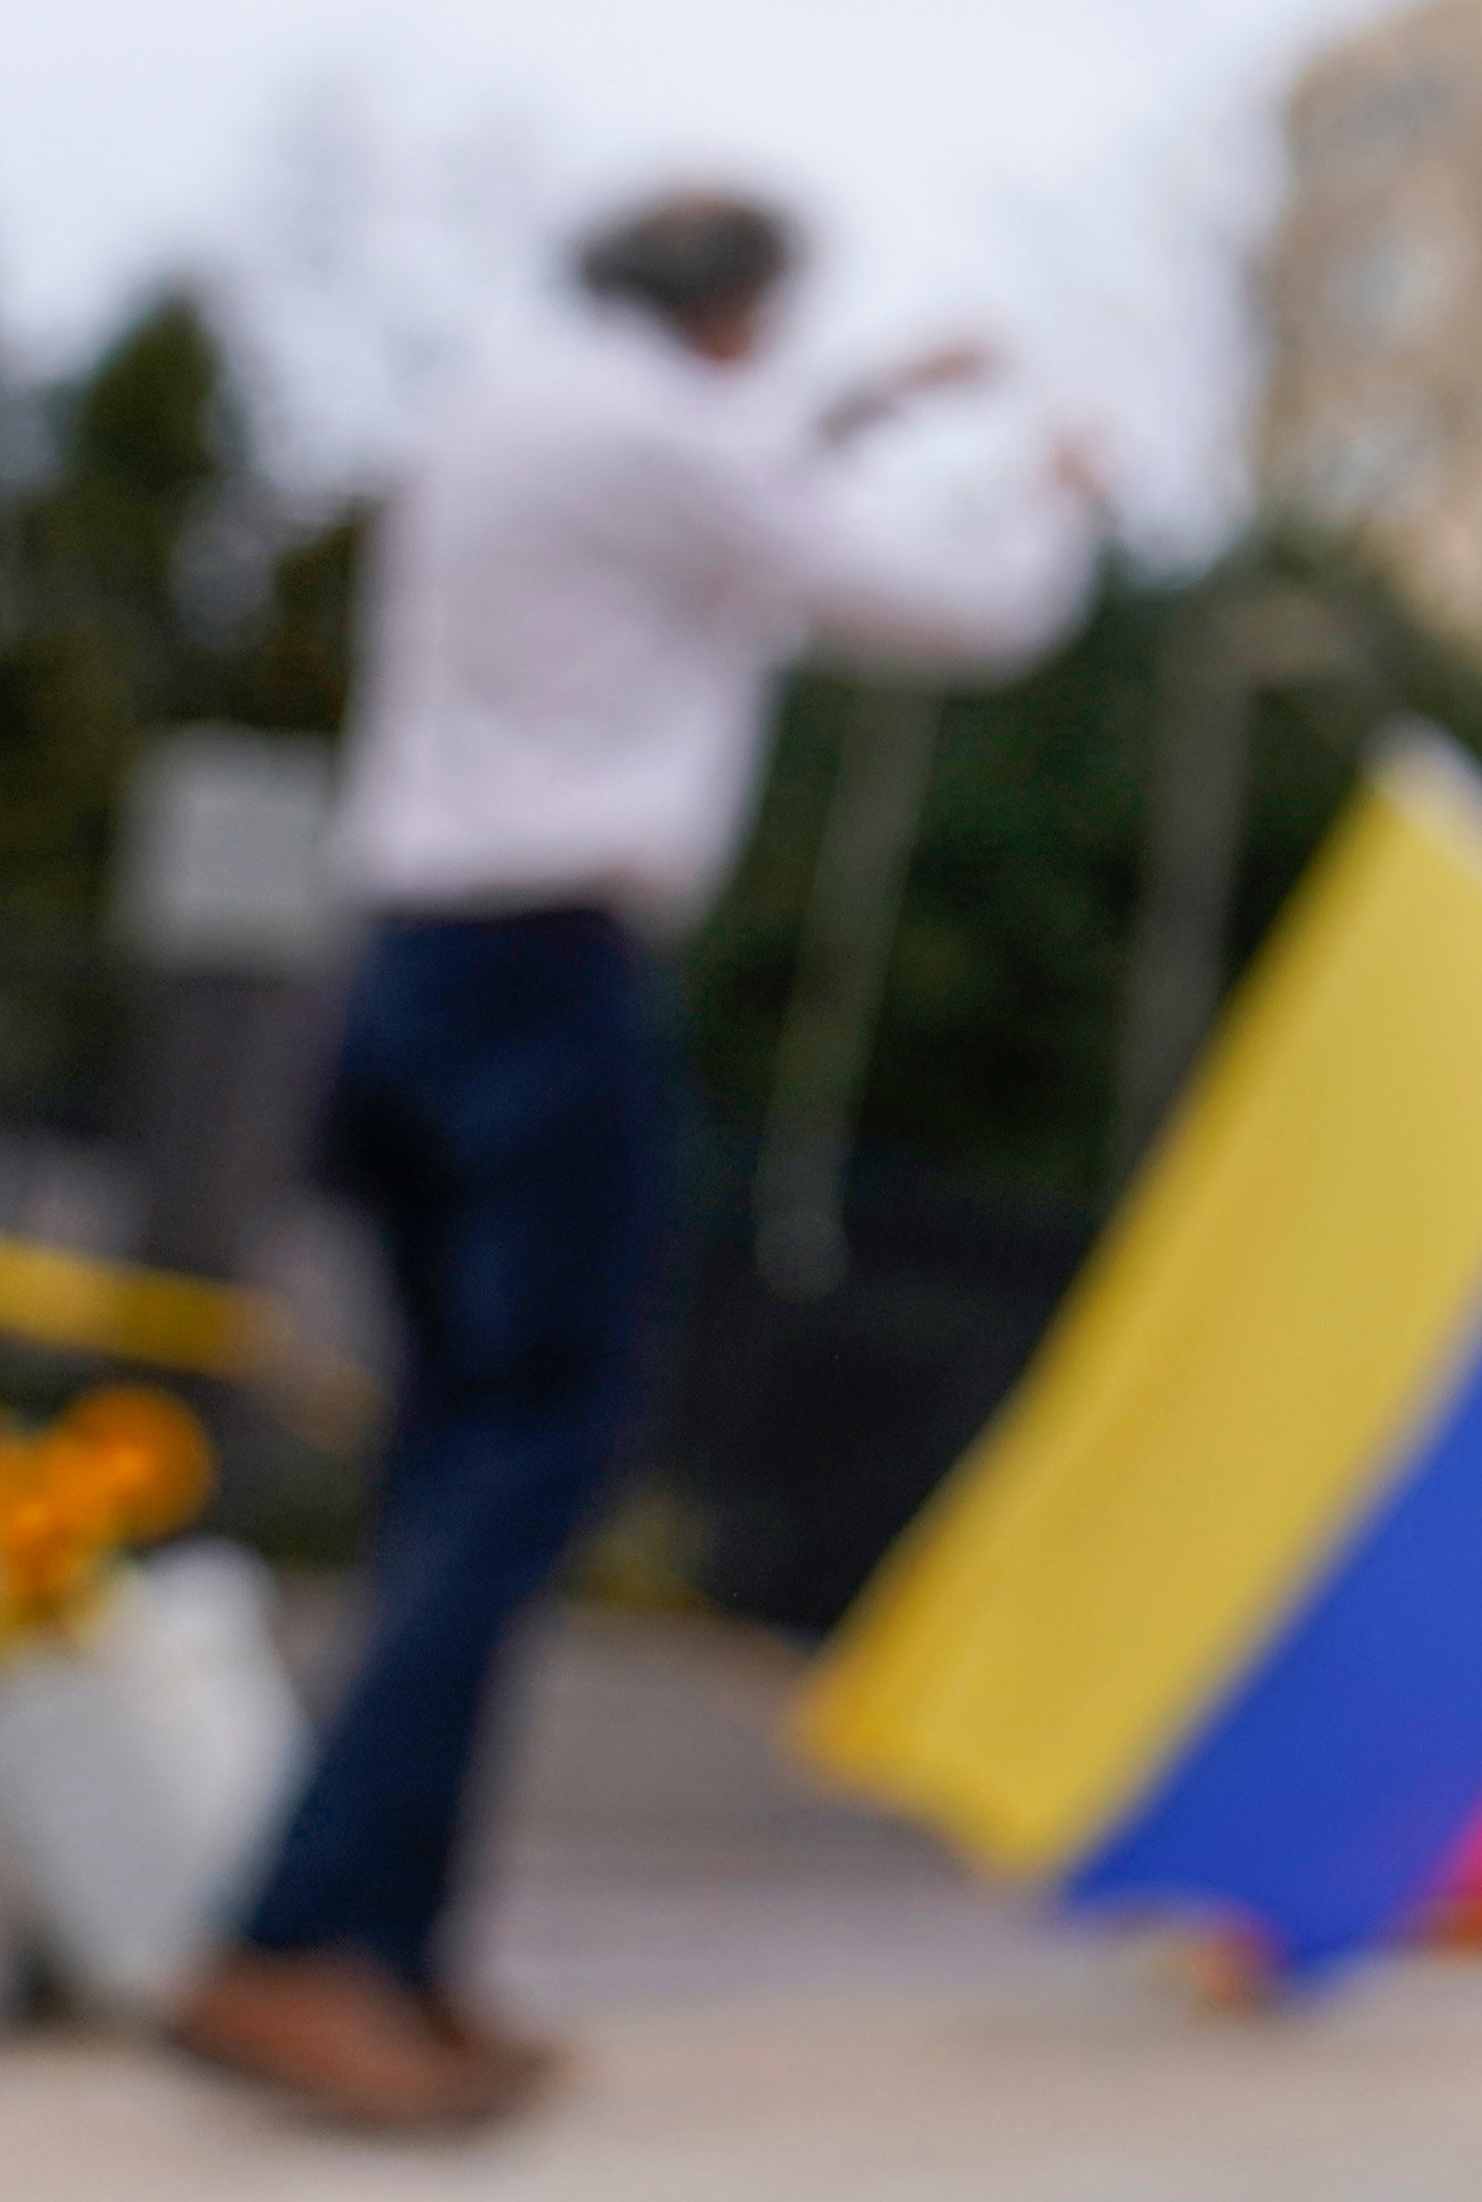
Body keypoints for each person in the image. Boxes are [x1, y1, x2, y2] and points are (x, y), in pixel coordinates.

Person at [165, 190, 1097, 2134]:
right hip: (544, 980)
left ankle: (396, 1956)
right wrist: (1057, 497)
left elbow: (733, 461)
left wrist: (871, 393)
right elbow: (963, 615)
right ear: (743, 310)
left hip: (399, 972)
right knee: (530, 1465)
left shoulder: (510, 421)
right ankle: (296, 1941)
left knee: (455, 1467)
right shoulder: (676, 443)